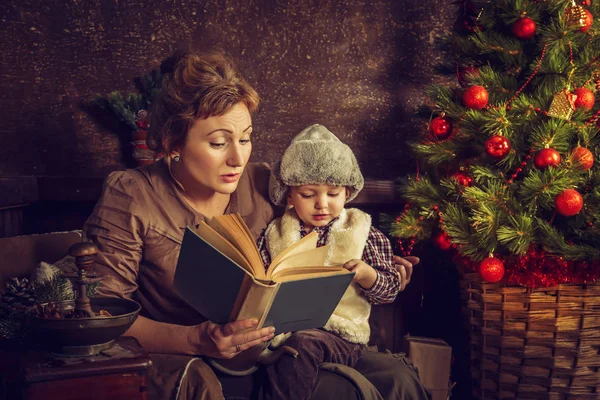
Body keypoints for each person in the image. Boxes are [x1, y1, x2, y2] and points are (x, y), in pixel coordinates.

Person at [83, 49, 421, 400]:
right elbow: (101, 314)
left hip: (286, 345)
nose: (237, 157)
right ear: (173, 144)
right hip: (197, 356)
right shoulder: (131, 195)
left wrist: (377, 264)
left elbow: (317, 231)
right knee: (342, 392)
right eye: (218, 142)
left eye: (245, 138)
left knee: (398, 379)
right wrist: (195, 338)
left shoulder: (261, 181)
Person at [256, 124, 428, 400]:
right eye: (308, 195)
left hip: (341, 332)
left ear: (348, 192)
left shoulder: (362, 232)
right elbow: (260, 278)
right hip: (284, 329)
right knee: (289, 347)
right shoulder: (276, 233)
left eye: (333, 194)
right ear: (289, 194)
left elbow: (390, 289)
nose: (321, 204)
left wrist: (367, 275)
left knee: (304, 344)